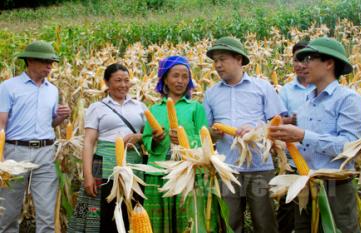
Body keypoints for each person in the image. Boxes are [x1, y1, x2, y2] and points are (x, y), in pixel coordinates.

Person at [269, 37, 361, 233]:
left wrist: (303, 135)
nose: (304, 65)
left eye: (310, 58)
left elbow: (349, 147)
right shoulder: (306, 102)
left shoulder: (348, 100)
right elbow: (300, 143)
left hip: (335, 187)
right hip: (304, 184)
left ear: (329, 63)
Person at [203, 36, 286, 233]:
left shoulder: (262, 87)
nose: (218, 65)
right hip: (226, 168)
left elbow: (278, 124)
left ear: (239, 59)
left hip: (259, 166)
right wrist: (214, 134)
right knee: (230, 223)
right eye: (215, 61)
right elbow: (206, 132)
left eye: (222, 59)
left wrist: (256, 130)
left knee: (264, 222)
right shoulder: (211, 93)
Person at [0, 41, 71, 233]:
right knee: (8, 212)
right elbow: (1, 125)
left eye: (52, 62)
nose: (50, 66)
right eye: (45, 62)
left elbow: (50, 124)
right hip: (14, 152)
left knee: (47, 214)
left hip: (46, 153)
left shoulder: (52, 90)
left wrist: (61, 117)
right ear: (30, 60)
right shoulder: (8, 87)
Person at [68, 63, 147, 232]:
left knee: (132, 210)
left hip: (133, 167)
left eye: (126, 80)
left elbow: (150, 136)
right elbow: (89, 142)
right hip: (102, 165)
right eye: (118, 80)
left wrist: (139, 137)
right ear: (106, 83)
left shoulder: (139, 106)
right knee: (101, 212)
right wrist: (88, 175)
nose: (123, 85)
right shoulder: (97, 108)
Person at [142, 56, 216, 233]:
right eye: (175, 76)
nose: (180, 81)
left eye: (185, 76)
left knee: (187, 220)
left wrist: (186, 140)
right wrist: (155, 139)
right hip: (159, 171)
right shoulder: (154, 109)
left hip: (187, 170)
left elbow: (204, 139)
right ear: (165, 79)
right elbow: (146, 139)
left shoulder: (195, 107)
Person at [276, 40, 315, 233]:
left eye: (306, 59)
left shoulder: (324, 87)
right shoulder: (286, 91)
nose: (300, 64)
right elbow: (278, 122)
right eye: (296, 59)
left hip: (319, 162)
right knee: (287, 207)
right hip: (292, 160)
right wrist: (292, 119)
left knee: (315, 208)